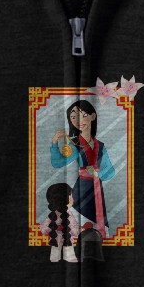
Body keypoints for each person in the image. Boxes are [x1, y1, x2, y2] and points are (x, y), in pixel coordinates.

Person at [49, 99, 116, 237]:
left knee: (95, 222)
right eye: (74, 117)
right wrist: (54, 143)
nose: (79, 120)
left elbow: (110, 171)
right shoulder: (75, 144)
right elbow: (58, 163)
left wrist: (97, 174)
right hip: (82, 187)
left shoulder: (100, 145)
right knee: (77, 223)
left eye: (84, 115)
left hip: (96, 187)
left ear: (93, 116)